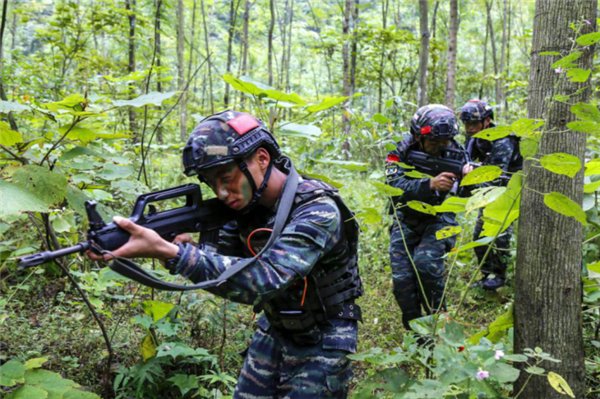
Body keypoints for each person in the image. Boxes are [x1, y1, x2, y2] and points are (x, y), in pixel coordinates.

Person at [88, 110, 362, 398]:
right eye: (210, 181)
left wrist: (173, 253)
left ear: (262, 159)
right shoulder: (243, 207)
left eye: (226, 177)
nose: (220, 192)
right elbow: (224, 262)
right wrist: (177, 249)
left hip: (325, 336)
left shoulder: (318, 210)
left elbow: (264, 279)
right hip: (275, 328)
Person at [385, 104, 471, 330]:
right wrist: (429, 184)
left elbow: (465, 197)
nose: (439, 147)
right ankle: (415, 331)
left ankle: (440, 325)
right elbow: (392, 185)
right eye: (433, 142)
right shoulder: (399, 150)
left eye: (444, 142)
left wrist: (470, 180)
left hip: (440, 219)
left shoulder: (458, 153)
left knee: (425, 264)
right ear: (418, 137)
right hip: (406, 218)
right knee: (402, 280)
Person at [459, 99, 522, 290]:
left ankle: (500, 277)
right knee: (479, 236)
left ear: (487, 121)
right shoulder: (474, 138)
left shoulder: (502, 139)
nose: (470, 128)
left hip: (509, 189)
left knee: (500, 236)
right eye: (467, 124)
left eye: (474, 124)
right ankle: (487, 275)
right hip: (487, 191)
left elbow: (498, 175)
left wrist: (473, 179)